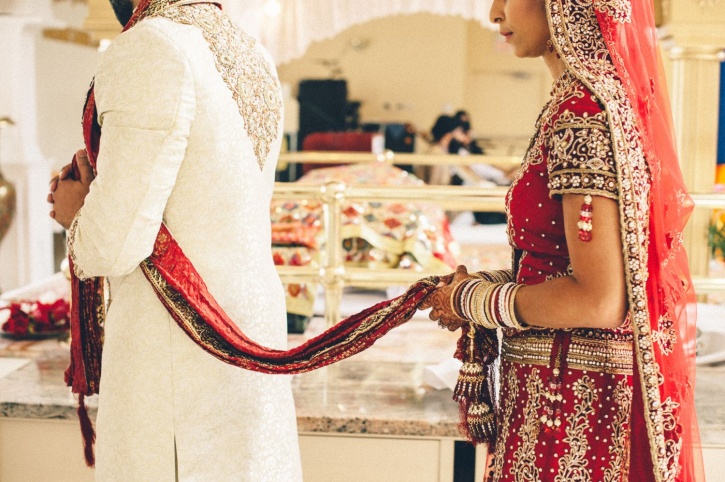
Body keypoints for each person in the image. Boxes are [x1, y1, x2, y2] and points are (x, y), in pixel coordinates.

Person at [426, 0, 703, 481]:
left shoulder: (582, 115)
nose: (495, 13)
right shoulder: (586, 102)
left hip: (570, 402)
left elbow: (598, 299)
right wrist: (481, 287)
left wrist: (475, 300)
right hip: (555, 387)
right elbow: (562, 266)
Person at [47, 0, 302, 480]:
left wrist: (76, 212)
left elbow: (114, 243)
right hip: (247, 327)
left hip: (174, 345)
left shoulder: (150, 45)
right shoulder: (248, 49)